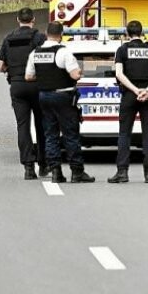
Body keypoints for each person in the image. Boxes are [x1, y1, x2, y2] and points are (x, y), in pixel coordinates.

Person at [25, 22, 94, 184]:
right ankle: (77, 172)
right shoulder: (63, 52)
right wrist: (81, 71)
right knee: (70, 134)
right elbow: (75, 75)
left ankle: (56, 172)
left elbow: (28, 77)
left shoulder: (35, 53)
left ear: (46, 33)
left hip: (43, 97)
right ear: (61, 34)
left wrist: (44, 78)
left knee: (50, 135)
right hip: (63, 96)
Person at [108, 21, 148, 184]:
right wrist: (147, 90)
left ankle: (122, 173)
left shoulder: (122, 50)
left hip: (129, 96)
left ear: (127, 33)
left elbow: (119, 74)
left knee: (124, 133)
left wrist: (134, 90)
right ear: (141, 33)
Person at [0, 8, 47, 179]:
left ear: (17, 19)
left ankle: (28, 167)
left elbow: (0, 67)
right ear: (33, 20)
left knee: (23, 126)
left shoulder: (8, 38)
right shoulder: (40, 38)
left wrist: (12, 68)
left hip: (17, 85)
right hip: (38, 85)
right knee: (42, 125)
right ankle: (43, 164)